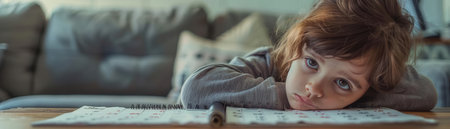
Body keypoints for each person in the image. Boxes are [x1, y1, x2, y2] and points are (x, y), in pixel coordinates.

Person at [180, 0, 438, 111]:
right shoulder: (269, 62)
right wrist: (282, 95)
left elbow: (425, 92)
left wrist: (350, 99)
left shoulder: (368, 80)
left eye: (343, 82)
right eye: (312, 62)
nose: (313, 88)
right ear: (297, 46)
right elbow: (196, 87)